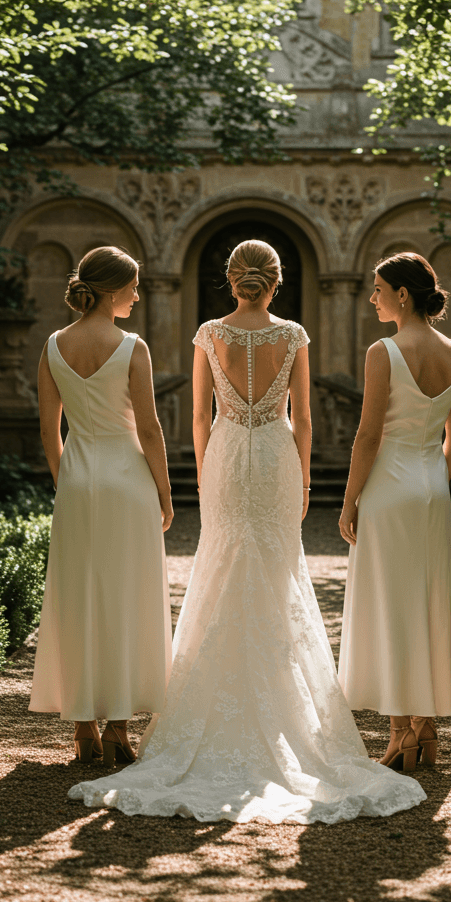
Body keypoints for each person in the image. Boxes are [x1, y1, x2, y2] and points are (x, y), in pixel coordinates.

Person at [68, 239, 425, 823]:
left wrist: (207, 474)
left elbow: (199, 415)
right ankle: (290, 713)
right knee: (280, 571)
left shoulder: (209, 333)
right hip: (278, 456)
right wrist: (306, 478)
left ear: (231, 281)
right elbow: (303, 417)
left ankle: (200, 711)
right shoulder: (293, 336)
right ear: (275, 282)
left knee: (222, 565)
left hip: (228, 457)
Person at [29, 246, 173, 766]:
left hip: (78, 478)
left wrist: (65, 476)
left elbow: (50, 428)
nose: (138, 295)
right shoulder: (132, 347)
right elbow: (151, 429)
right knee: (125, 596)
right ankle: (117, 728)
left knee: (79, 596)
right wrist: (164, 489)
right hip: (127, 480)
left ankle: (83, 730)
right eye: (134, 287)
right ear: (112, 291)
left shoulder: (53, 345)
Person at [338, 252, 451, 772]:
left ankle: (399, 736)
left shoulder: (383, 351)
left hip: (389, 490)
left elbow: (368, 436)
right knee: (426, 602)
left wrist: (350, 501)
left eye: (378, 289)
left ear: (403, 295)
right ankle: (426, 727)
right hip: (431, 489)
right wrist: (432, 479)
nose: (372, 297)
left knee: (390, 606)